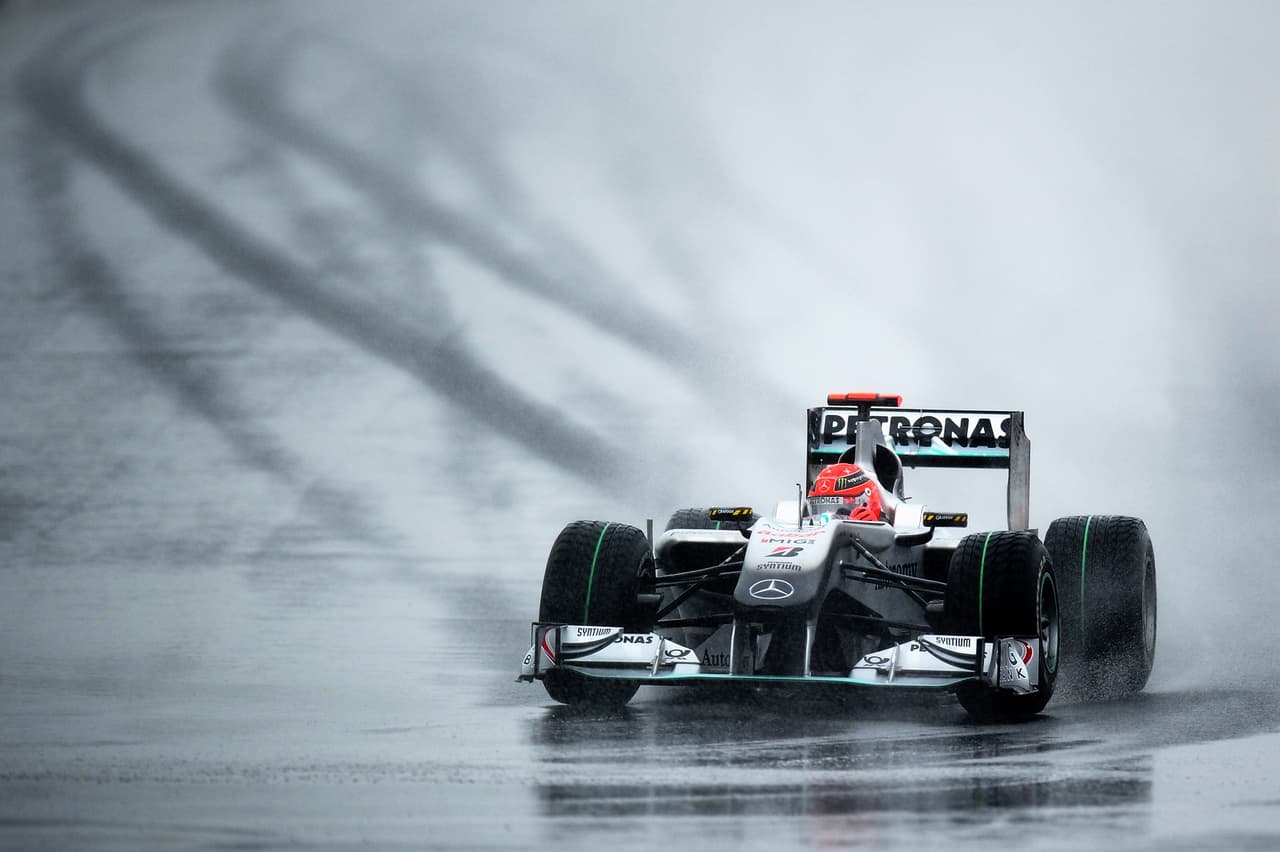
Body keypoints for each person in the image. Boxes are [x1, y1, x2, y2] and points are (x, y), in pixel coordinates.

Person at [807, 462, 884, 523]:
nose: (830, 521)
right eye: (821, 511)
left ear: (866, 503)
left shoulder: (889, 537)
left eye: (843, 513)